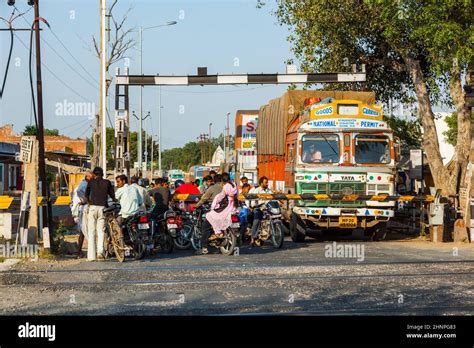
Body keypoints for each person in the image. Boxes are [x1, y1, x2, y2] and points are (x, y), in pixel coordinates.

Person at [196, 173, 238, 255]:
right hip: (233, 208)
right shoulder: (234, 185)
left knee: (206, 224)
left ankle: (204, 247)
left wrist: (198, 205)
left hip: (223, 209)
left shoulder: (216, 188)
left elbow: (206, 198)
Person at [85, 167, 115, 261]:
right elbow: (112, 196)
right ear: (102, 174)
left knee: (91, 231)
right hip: (103, 208)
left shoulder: (91, 182)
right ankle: (100, 253)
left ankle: (91, 256)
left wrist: (90, 202)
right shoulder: (107, 182)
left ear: (94, 174)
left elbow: (86, 194)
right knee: (101, 231)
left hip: (93, 208)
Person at [70, 171, 93, 258]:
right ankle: (86, 251)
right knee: (85, 230)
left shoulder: (82, 185)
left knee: (82, 232)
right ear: (88, 177)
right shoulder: (83, 186)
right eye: (92, 177)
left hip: (79, 210)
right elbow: (81, 196)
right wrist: (86, 201)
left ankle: (79, 252)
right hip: (81, 210)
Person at [249, 176, 273, 246]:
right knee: (256, 221)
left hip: (268, 208)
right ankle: (253, 237)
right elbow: (253, 201)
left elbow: (273, 197)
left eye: (267, 182)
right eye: (266, 183)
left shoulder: (269, 190)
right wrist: (253, 206)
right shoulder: (257, 190)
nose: (267, 184)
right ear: (261, 183)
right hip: (258, 208)